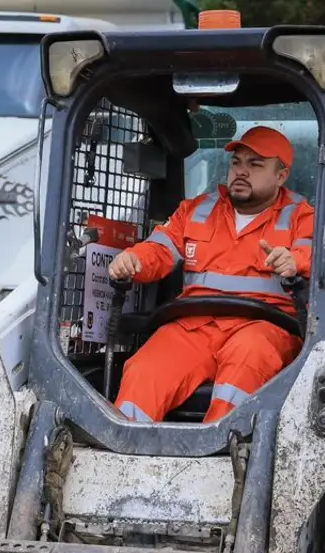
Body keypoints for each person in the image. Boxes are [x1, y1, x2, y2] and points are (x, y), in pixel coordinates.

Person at [107, 125, 313, 423]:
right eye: (236, 162)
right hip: (195, 324)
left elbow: (311, 256)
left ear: (281, 176)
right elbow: (159, 250)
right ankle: (123, 454)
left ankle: (219, 455)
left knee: (247, 362)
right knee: (145, 368)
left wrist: (294, 261)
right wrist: (132, 260)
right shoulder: (196, 210)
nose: (241, 171)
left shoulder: (301, 216)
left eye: (255, 165)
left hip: (264, 327)